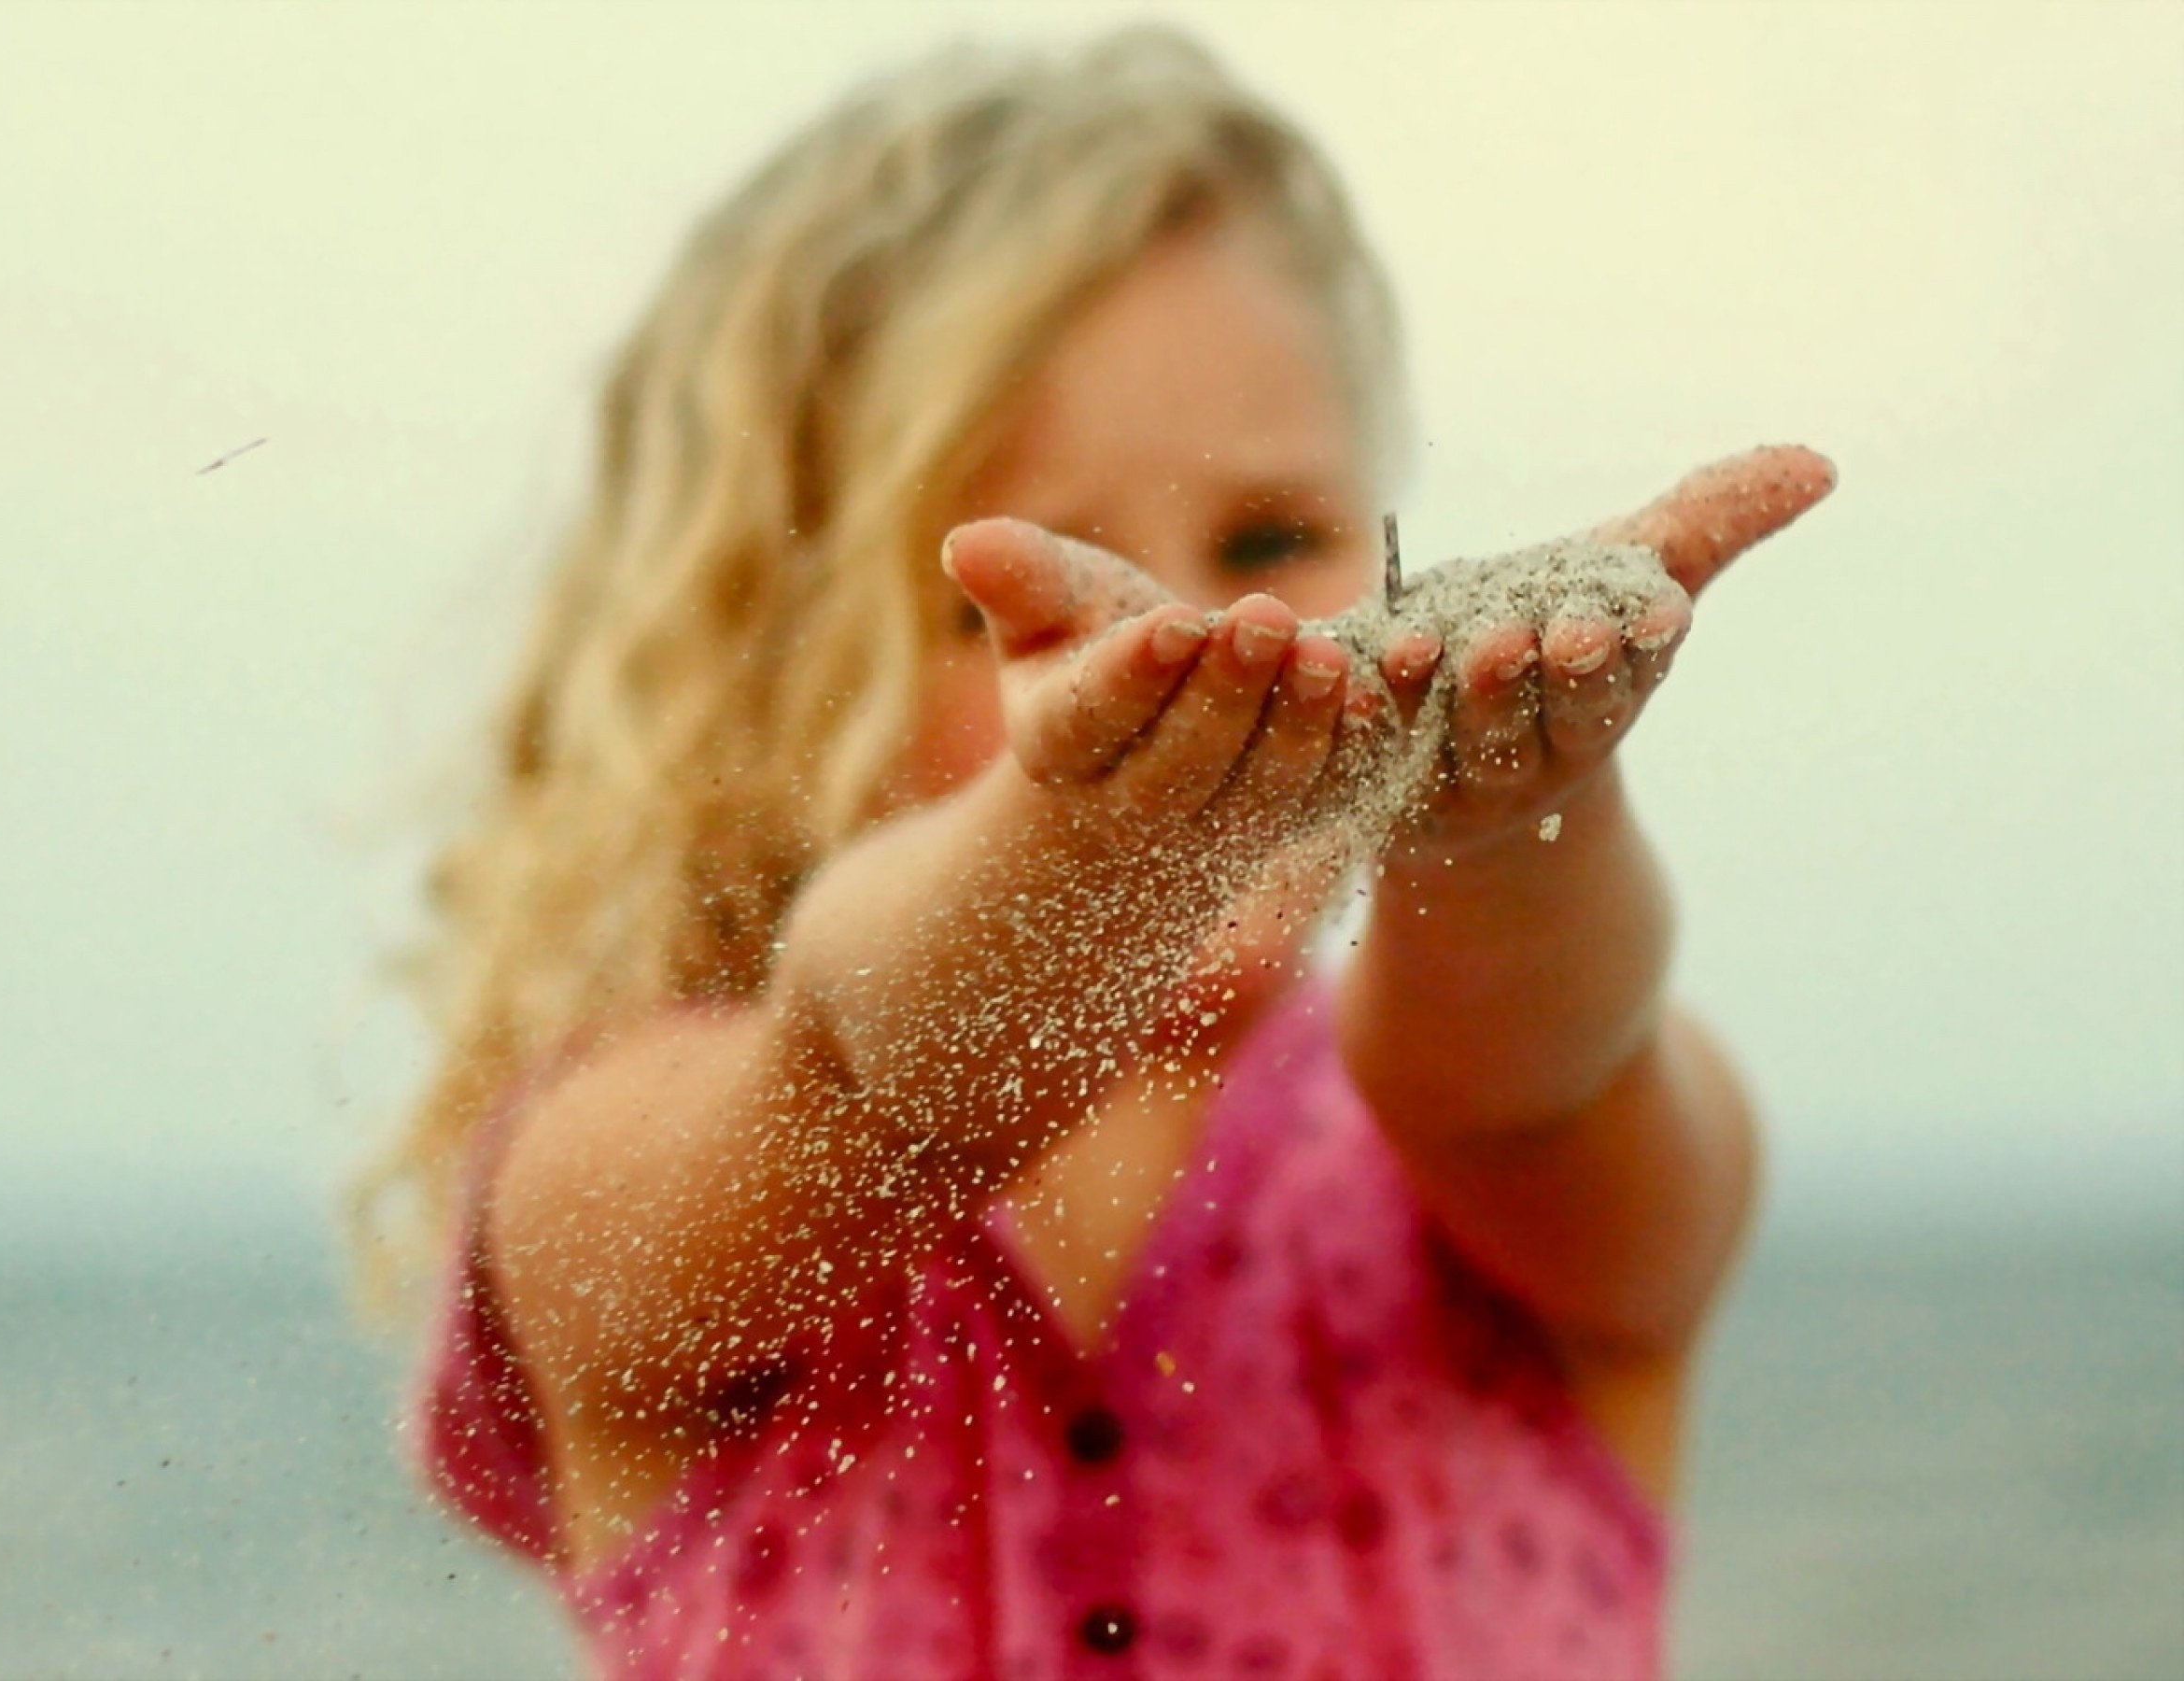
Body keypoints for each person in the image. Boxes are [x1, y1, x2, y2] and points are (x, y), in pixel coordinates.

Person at [352, 26, 1833, 1678]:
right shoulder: (636, 1180)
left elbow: (1533, 1079)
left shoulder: (1484, 1164)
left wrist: (1496, 818)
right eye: (1016, 595)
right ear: (770, 666)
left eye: (1275, 537)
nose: (1212, 633)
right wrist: (1086, 847)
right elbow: (869, 1064)